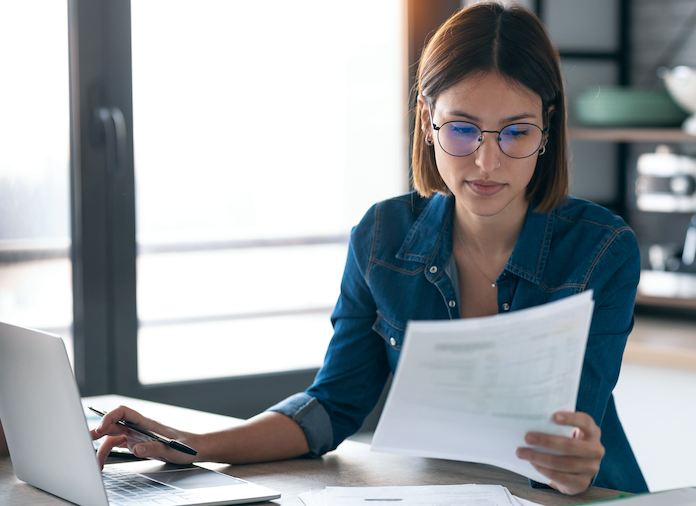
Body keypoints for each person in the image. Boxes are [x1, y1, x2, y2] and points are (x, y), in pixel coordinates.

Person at [92, 2, 648, 495]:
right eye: (462, 129)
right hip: (448, 494)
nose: (487, 161)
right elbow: (331, 407)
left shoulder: (602, 250)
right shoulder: (382, 237)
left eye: (516, 132)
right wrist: (192, 444)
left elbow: (573, 434)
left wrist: (573, 467)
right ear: (427, 121)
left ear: (547, 129)